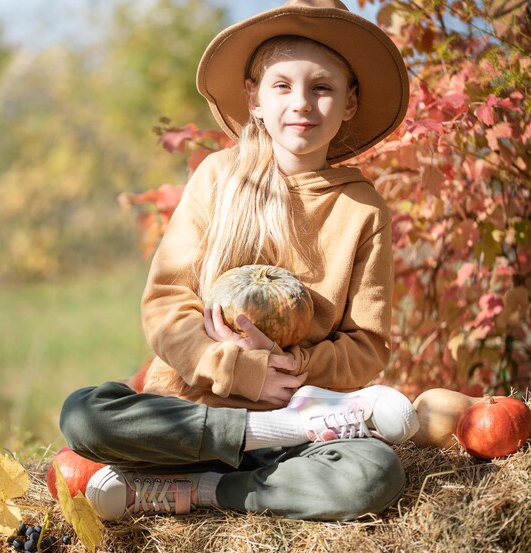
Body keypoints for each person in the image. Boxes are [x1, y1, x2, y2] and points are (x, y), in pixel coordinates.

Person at [60, 0, 419, 521]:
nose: (302, 103)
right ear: (253, 98)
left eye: (322, 87)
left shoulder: (362, 209)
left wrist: (290, 369)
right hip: (191, 415)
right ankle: (239, 454)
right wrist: (233, 368)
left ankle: (207, 491)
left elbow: (367, 345)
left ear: (349, 103)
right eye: (283, 86)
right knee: (84, 415)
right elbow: (167, 303)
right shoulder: (219, 178)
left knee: (374, 474)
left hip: (297, 425)